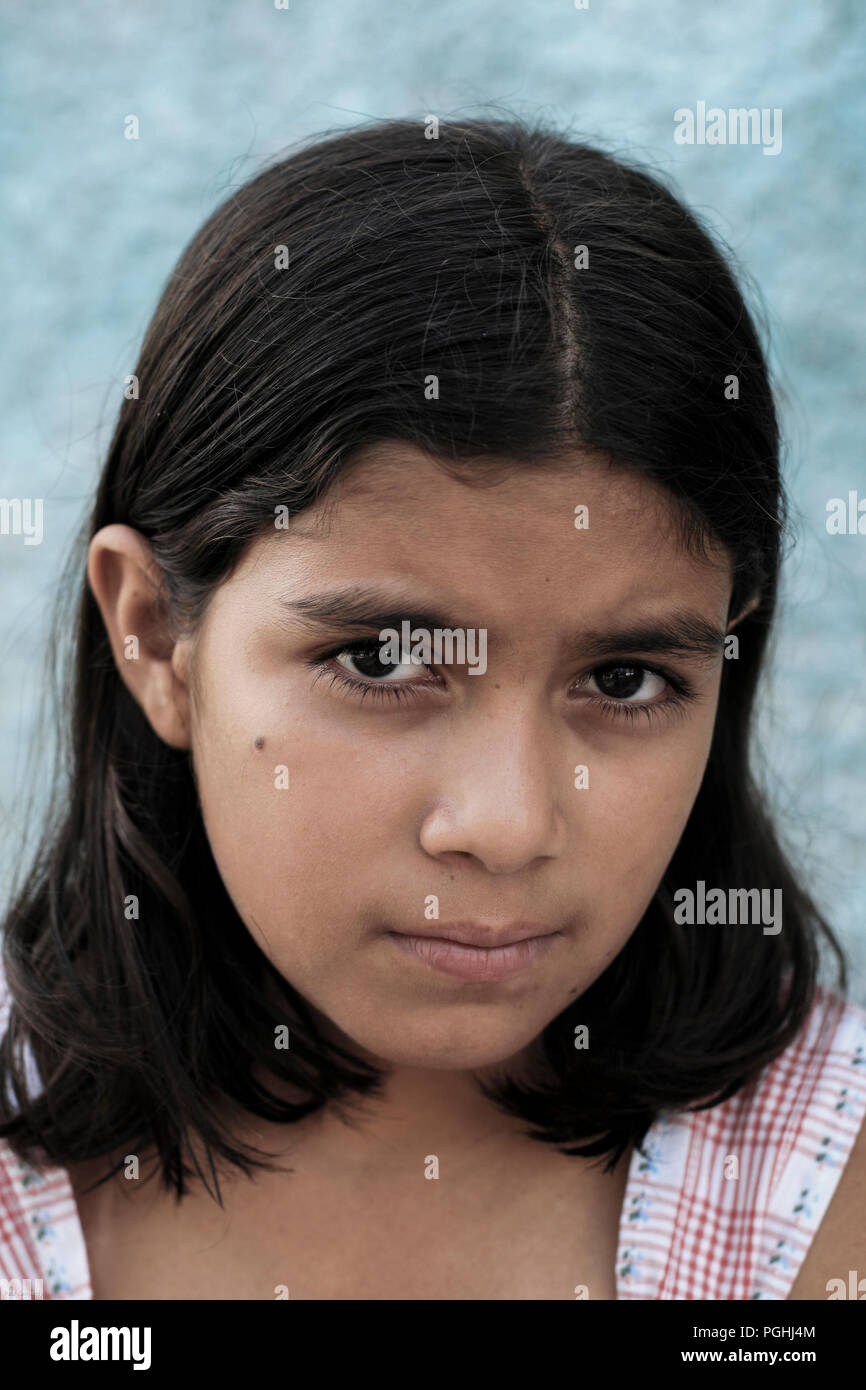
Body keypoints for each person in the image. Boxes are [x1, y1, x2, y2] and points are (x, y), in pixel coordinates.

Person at [1, 115, 864, 1301]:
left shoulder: (815, 1191)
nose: (506, 824)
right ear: (155, 636)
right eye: (384, 659)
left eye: (623, 680)